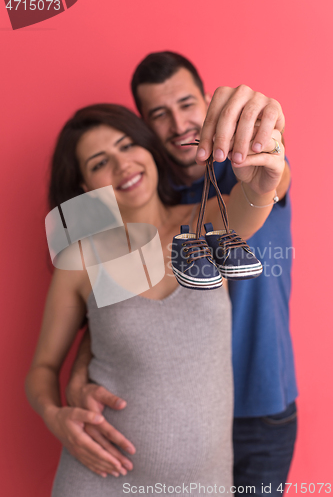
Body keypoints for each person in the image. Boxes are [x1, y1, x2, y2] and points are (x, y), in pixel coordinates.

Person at [66, 52, 297, 496]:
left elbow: (273, 181)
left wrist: (267, 153)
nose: (178, 123)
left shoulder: (249, 165)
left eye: (187, 104)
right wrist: (81, 366)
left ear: (209, 101)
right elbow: (111, 295)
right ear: (143, 126)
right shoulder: (142, 190)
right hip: (172, 416)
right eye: (159, 114)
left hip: (261, 403)